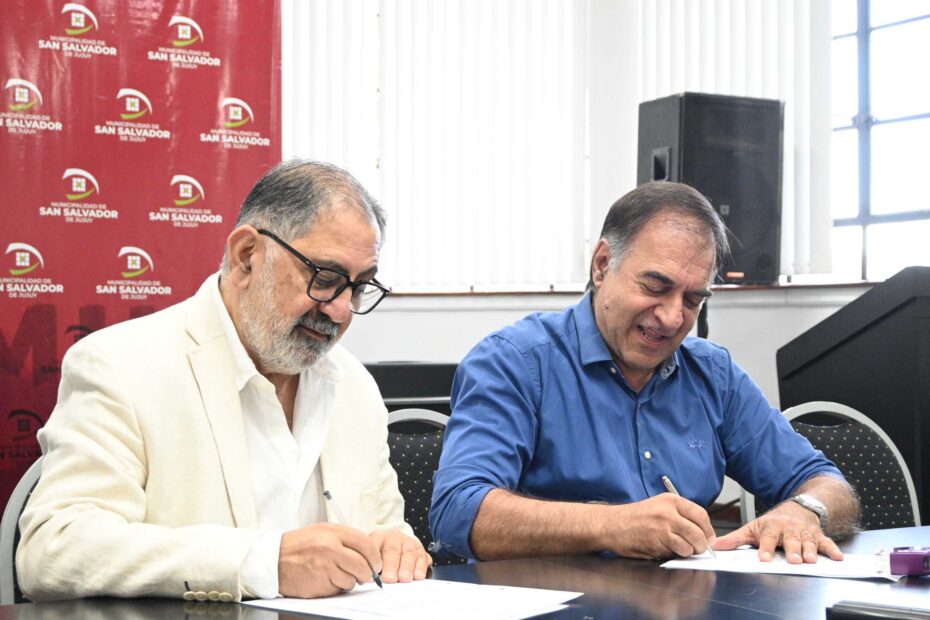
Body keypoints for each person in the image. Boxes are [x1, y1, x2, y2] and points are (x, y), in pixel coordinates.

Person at [17, 160, 431, 602]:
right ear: (246, 257)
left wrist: (397, 548)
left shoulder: (354, 385)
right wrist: (263, 563)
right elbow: (54, 549)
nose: (342, 309)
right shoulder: (119, 365)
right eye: (325, 278)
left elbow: (385, 529)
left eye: (360, 287)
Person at [430, 181, 860, 565]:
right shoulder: (514, 362)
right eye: (656, 287)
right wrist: (612, 526)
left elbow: (829, 484)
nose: (672, 317)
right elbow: (457, 511)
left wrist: (805, 511)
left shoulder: (713, 374)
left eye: (693, 300)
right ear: (602, 265)